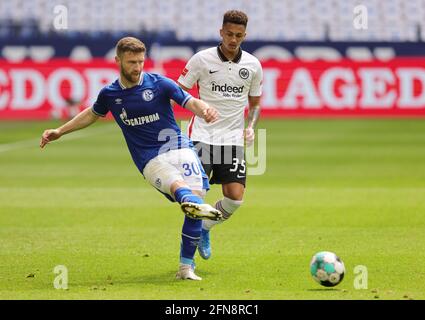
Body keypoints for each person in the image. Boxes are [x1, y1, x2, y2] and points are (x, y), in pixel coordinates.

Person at [40, 37, 222, 281]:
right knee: (177, 186)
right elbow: (91, 114)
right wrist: (59, 131)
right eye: (131, 62)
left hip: (178, 147)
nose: (137, 67)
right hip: (149, 159)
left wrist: (205, 110)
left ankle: (185, 268)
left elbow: (189, 101)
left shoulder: (160, 84)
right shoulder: (110, 94)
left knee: (195, 199)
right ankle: (191, 209)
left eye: (140, 61)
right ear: (118, 61)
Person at [177, 10, 263, 260]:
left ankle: (205, 227)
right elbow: (177, 91)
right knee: (196, 197)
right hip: (201, 135)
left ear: (244, 35)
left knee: (235, 199)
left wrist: (251, 126)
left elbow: (255, 104)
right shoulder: (201, 60)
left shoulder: (253, 65)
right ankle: (187, 260)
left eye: (238, 35)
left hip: (232, 140)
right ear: (220, 32)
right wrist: (197, 107)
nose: (233, 39)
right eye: (229, 34)